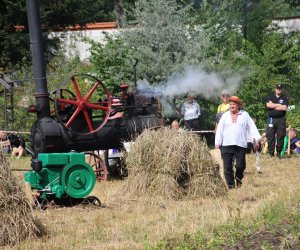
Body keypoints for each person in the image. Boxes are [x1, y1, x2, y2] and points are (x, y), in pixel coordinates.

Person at [215, 96, 261, 189]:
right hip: (226, 144)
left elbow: (252, 127)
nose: (232, 106)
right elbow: (219, 129)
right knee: (227, 167)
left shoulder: (244, 115)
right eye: (230, 104)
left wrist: (256, 138)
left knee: (240, 166)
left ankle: (238, 180)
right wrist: (217, 142)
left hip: (240, 145)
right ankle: (231, 186)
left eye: (234, 104)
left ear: (238, 105)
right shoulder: (225, 116)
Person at [265, 83, 288, 158]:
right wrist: (278, 105)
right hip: (271, 119)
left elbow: (284, 108)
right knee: (270, 136)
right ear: (275, 89)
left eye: (280, 88)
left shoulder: (284, 98)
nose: (279, 89)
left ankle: (278, 153)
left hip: (281, 119)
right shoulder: (270, 97)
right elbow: (268, 105)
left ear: (282, 89)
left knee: (281, 135)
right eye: (277, 88)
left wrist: (273, 105)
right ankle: (271, 153)